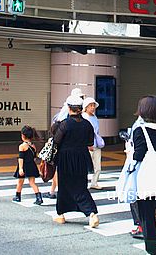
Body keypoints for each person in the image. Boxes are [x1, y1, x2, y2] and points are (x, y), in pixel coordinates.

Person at [51, 95, 99, 228]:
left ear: (69, 108)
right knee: (80, 186)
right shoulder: (87, 124)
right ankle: (91, 213)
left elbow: (56, 141)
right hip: (82, 158)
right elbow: (90, 142)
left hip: (65, 158)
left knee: (64, 185)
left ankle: (62, 214)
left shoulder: (65, 124)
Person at [132, 95, 156, 255]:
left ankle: (153, 248)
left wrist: (129, 152)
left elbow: (138, 155)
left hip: (146, 177)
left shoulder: (140, 130)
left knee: (146, 214)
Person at [13, 125, 42, 205]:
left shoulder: (22, 146)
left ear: (23, 136)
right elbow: (34, 157)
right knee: (32, 182)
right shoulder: (33, 146)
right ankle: (39, 197)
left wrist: (20, 168)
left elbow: (21, 158)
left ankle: (18, 196)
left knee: (20, 181)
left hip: (24, 166)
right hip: (32, 165)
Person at [82, 96, 105, 190]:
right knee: (85, 166)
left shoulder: (94, 117)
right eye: (90, 105)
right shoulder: (84, 117)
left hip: (96, 144)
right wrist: (87, 144)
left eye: (93, 105)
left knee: (98, 166)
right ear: (86, 107)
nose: (93, 107)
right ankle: (83, 183)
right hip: (88, 145)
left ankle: (94, 183)